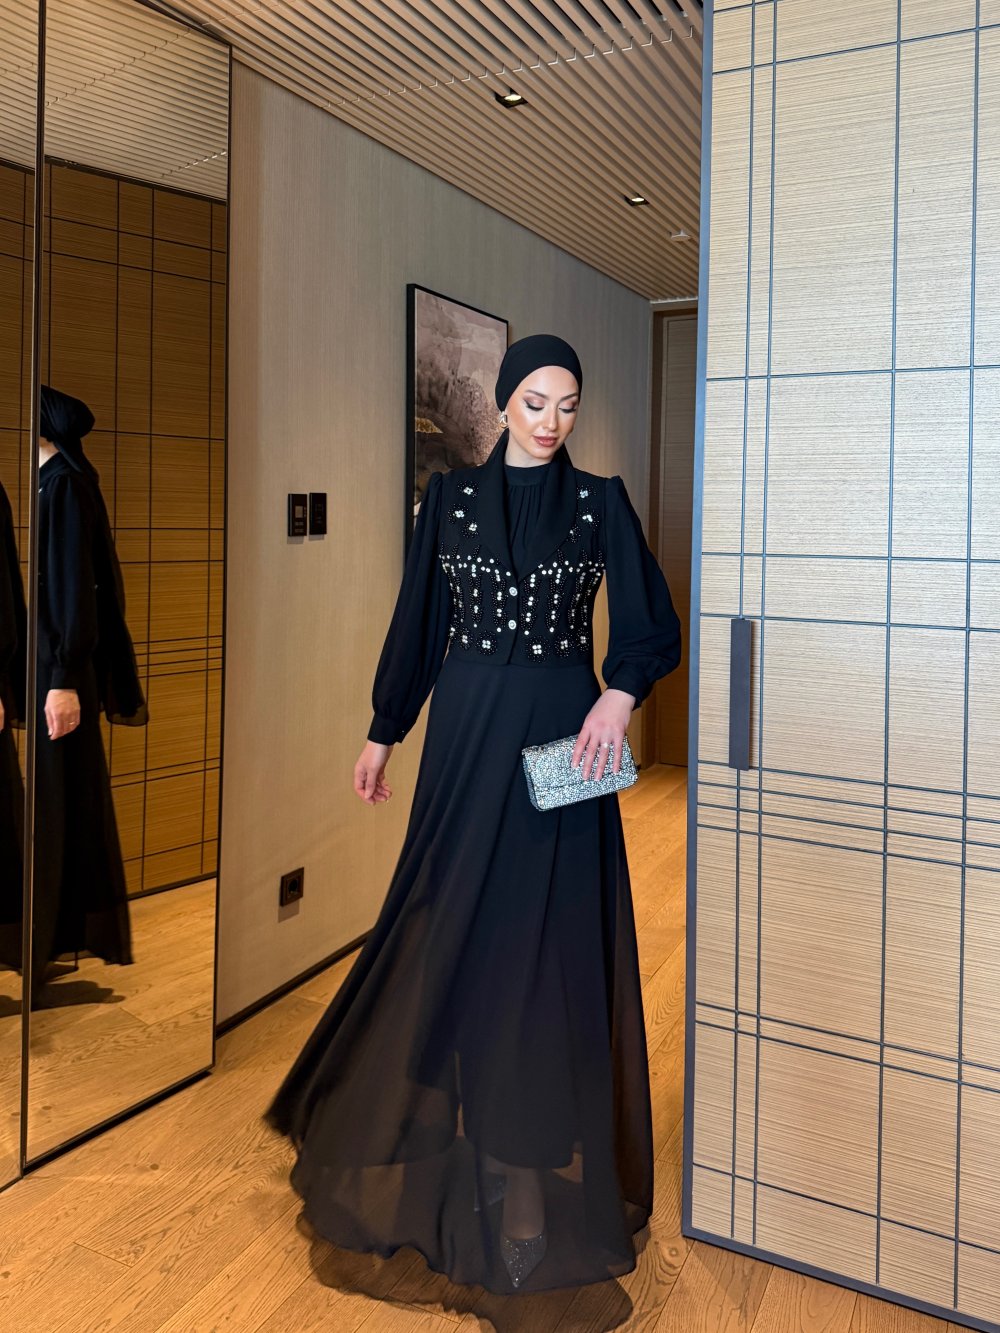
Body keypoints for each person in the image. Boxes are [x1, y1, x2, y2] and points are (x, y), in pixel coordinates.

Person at [266, 334, 682, 1294]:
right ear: (501, 404)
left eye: (567, 404)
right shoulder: (449, 499)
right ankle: (432, 1127)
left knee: (545, 948)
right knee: (452, 925)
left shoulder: (600, 501)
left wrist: (619, 696)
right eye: (534, 401)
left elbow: (651, 620)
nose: (551, 421)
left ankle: (526, 1176)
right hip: (464, 732)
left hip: (566, 737)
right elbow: (417, 623)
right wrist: (383, 730)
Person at [33, 385, 147, 1001]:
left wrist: (63, 678)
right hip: (55, 670)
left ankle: (51, 943)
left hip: (62, 677)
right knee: (57, 807)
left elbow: (76, 589)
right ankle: (49, 943)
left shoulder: (66, 488)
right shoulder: (55, 484)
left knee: (63, 808)